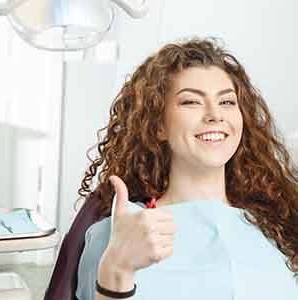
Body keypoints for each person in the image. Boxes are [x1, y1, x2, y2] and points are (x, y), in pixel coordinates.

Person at [71, 37, 298, 300]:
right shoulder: (119, 233)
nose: (215, 115)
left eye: (227, 102)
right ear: (158, 126)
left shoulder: (280, 227)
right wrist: (117, 270)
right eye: (191, 102)